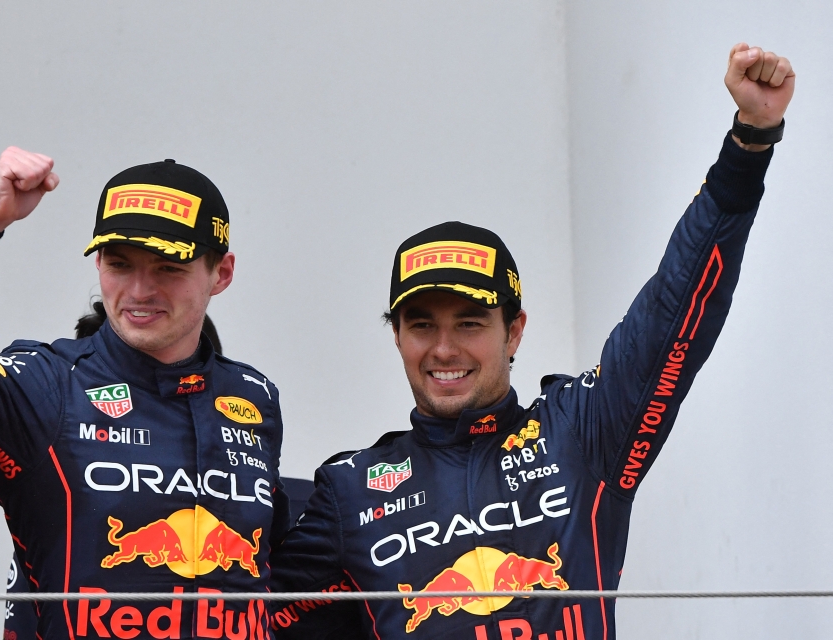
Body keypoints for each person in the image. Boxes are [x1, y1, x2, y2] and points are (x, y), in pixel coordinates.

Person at [269, 43, 794, 639]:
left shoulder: (582, 433)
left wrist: (749, 144)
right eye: (421, 325)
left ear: (514, 330)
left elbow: (674, 309)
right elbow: (235, 605)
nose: (444, 349)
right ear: (396, 335)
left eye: (470, 323)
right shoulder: (349, 492)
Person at [0, 153, 289, 639]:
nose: (139, 290)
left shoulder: (254, 398)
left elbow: (272, 567)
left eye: (168, 267)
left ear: (222, 273)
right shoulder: (49, 384)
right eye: (119, 264)